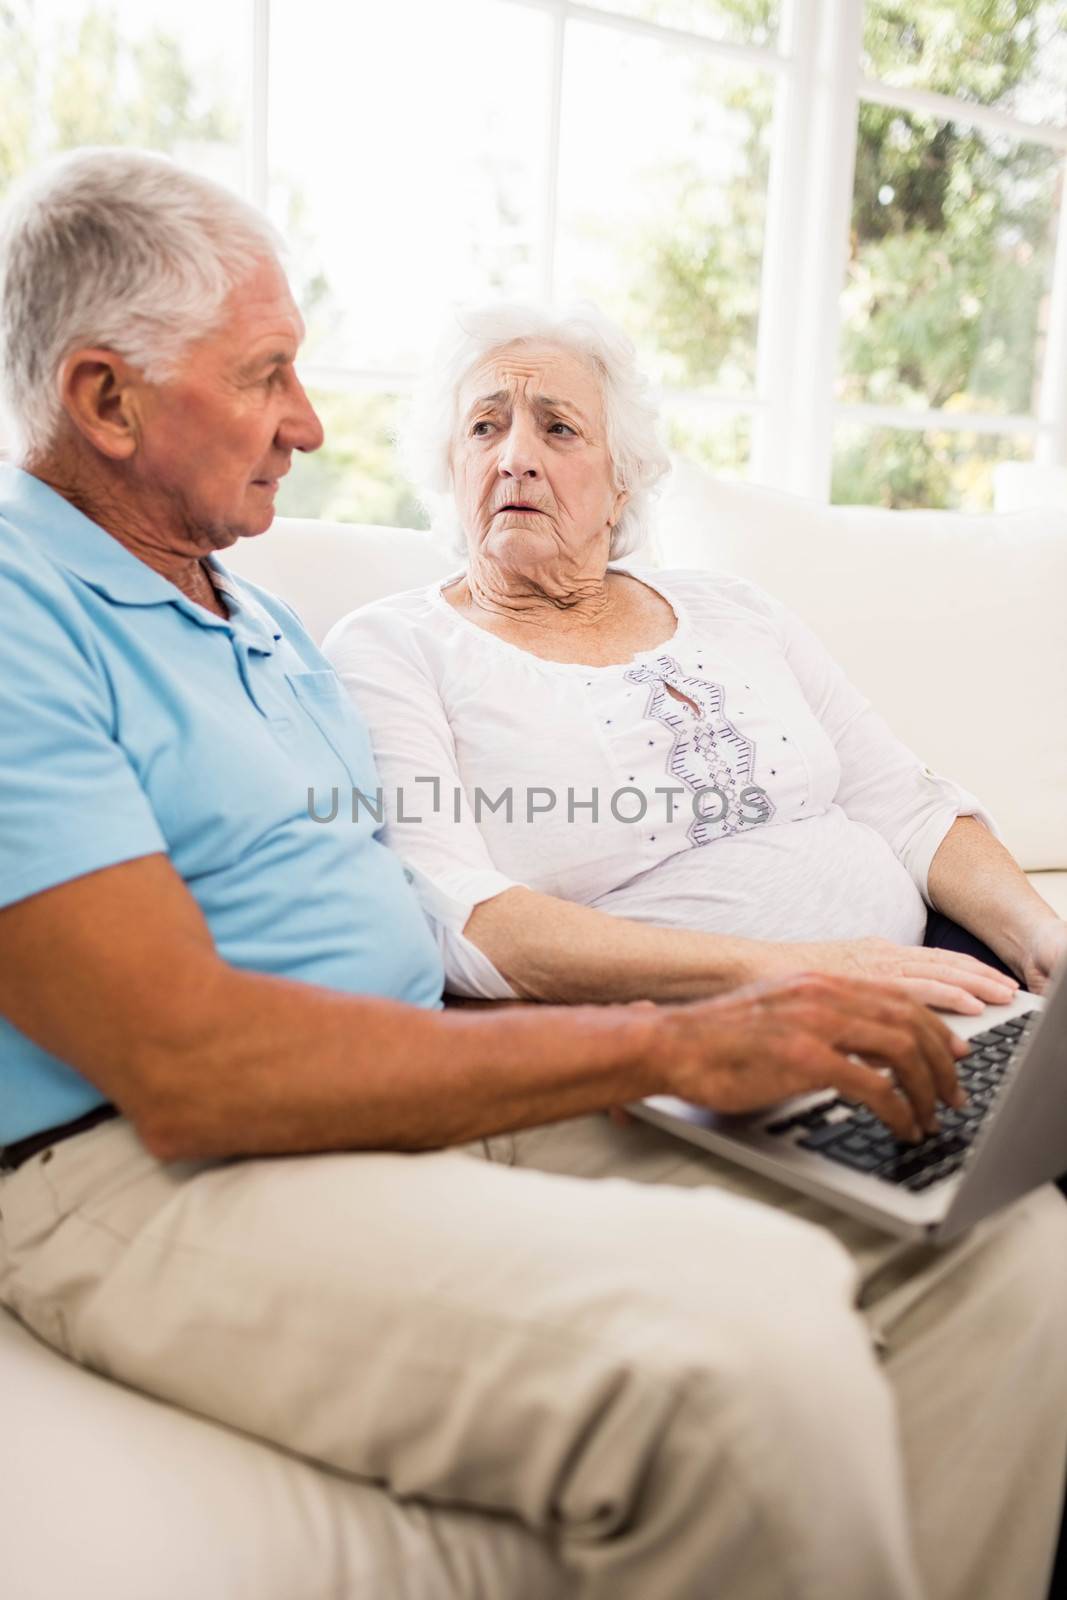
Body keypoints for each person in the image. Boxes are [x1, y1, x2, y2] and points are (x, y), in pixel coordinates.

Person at [1, 150, 1065, 1600]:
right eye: (265, 377)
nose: (309, 424)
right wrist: (697, 1025)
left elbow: (892, 797)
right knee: (745, 1346)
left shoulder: (233, 607)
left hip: (406, 1090)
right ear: (105, 401)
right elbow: (195, 1059)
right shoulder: (30, 613)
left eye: (553, 427)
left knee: (1007, 1267)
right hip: (147, 1152)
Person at [324, 302, 1067, 1013]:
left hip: (932, 974)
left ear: (621, 483)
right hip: (703, 1037)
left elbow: (906, 806)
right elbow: (460, 916)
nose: (516, 457)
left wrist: (1042, 940)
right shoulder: (394, 647)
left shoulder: (731, 608)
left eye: (558, 429)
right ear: (449, 468)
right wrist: (813, 971)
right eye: (484, 428)